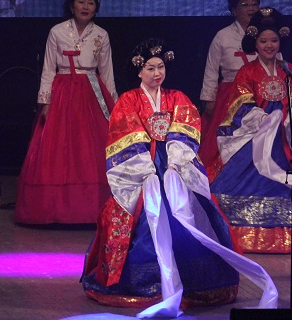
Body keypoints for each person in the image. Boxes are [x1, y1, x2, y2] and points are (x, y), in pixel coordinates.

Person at [81, 39, 277, 316]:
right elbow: (126, 135)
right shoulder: (129, 100)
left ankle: (195, 282)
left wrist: (175, 164)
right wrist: (146, 172)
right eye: (150, 68)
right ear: (139, 71)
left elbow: (185, 129)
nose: (157, 73)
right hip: (143, 167)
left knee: (190, 214)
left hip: (174, 165)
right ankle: (145, 284)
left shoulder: (177, 97)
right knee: (143, 220)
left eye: (161, 67)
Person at [209, 8, 292, 253]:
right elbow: (241, 104)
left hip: (287, 131)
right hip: (258, 132)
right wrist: (265, 119)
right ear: (255, 43)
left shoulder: (290, 70)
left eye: (273, 40)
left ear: (280, 41)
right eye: (263, 41)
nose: (269, 45)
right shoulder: (247, 72)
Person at [15, 0, 117, 224]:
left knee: (89, 151)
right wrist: (45, 102)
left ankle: (91, 209)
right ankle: (52, 210)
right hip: (62, 93)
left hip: (91, 93)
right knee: (57, 150)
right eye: (81, 1)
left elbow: (107, 73)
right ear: (72, 5)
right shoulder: (57, 31)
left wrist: (115, 106)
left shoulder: (101, 34)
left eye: (91, 3)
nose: (86, 7)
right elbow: (48, 69)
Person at [198, 0, 261, 181]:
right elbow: (211, 69)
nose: (251, 9)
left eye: (254, 4)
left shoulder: (265, 33)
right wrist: (209, 98)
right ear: (234, 9)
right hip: (230, 95)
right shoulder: (223, 36)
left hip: (260, 95)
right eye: (245, 4)